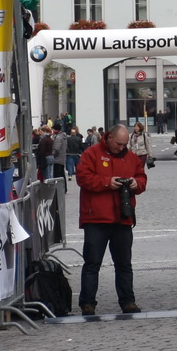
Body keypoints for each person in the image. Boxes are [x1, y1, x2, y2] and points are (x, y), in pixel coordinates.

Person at [76, 125, 149, 316]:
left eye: (124, 144)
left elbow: (142, 178)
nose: (121, 147)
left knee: (124, 264)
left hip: (122, 218)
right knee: (92, 263)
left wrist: (136, 183)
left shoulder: (131, 157)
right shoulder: (92, 153)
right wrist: (107, 182)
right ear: (109, 138)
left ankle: (128, 302)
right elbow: (83, 178)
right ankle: (87, 303)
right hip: (96, 218)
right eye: (118, 144)